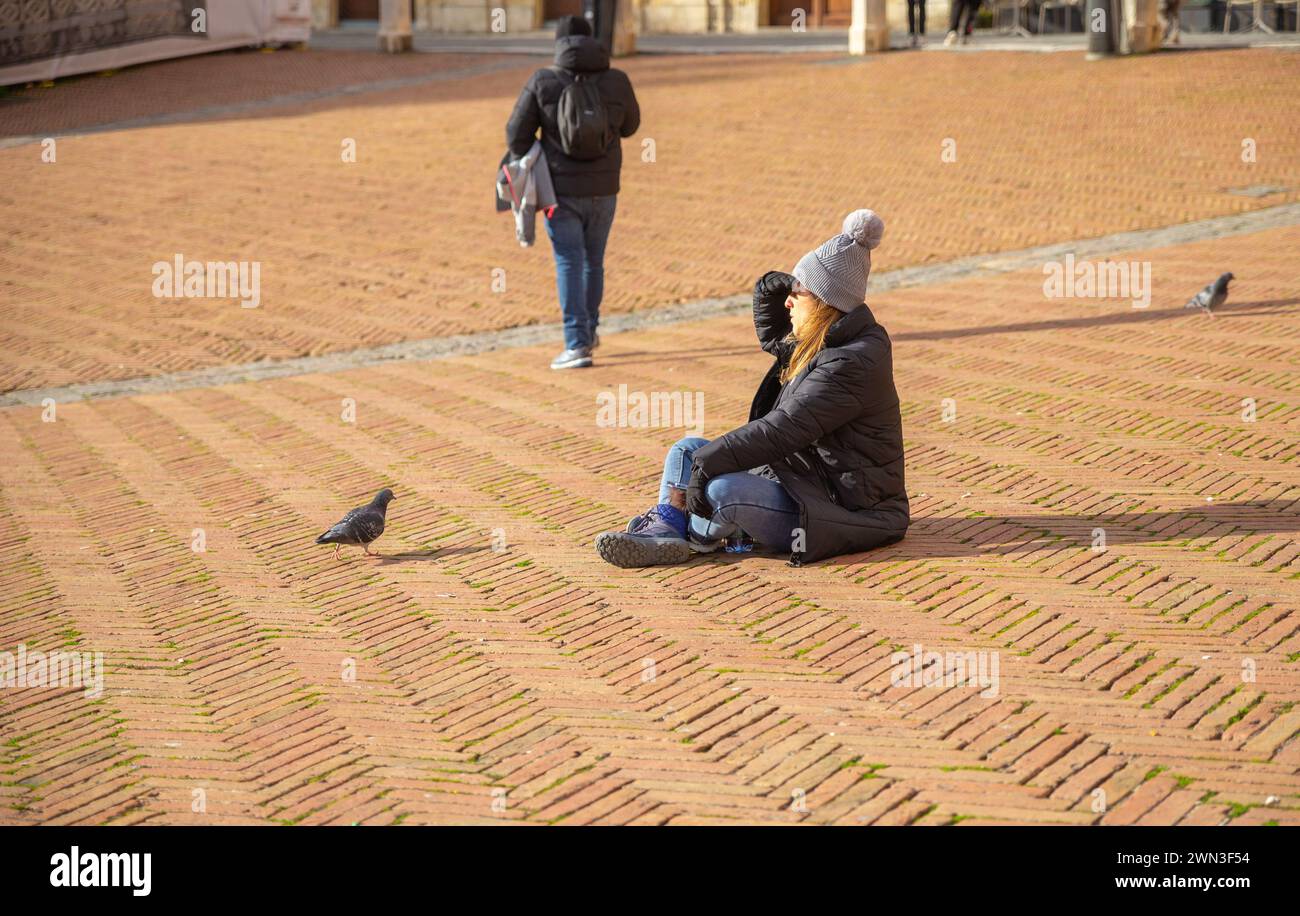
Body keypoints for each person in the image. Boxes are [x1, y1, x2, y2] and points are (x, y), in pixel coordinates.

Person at [594, 210, 910, 569]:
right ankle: (673, 530)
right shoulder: (829, 339)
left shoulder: (850, 363)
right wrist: (768, 291)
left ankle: (681, 531)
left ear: (825, 303)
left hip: (841, 507)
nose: (788, 301)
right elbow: (777, 339)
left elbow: (782, 429)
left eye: (798, 292)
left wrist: (708, 465)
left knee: (721, 489)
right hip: (799, 478)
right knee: (686, 450)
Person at [505, 14, 641, 370]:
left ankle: (576, 344)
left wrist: (544, 141)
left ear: (559, 44)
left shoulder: (543, 81)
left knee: (569, 260)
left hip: (559, 190)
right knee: (593, 261)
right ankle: (589, 331)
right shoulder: (617, 79)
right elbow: (631, 126)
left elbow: (515, 136)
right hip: (605, 187)